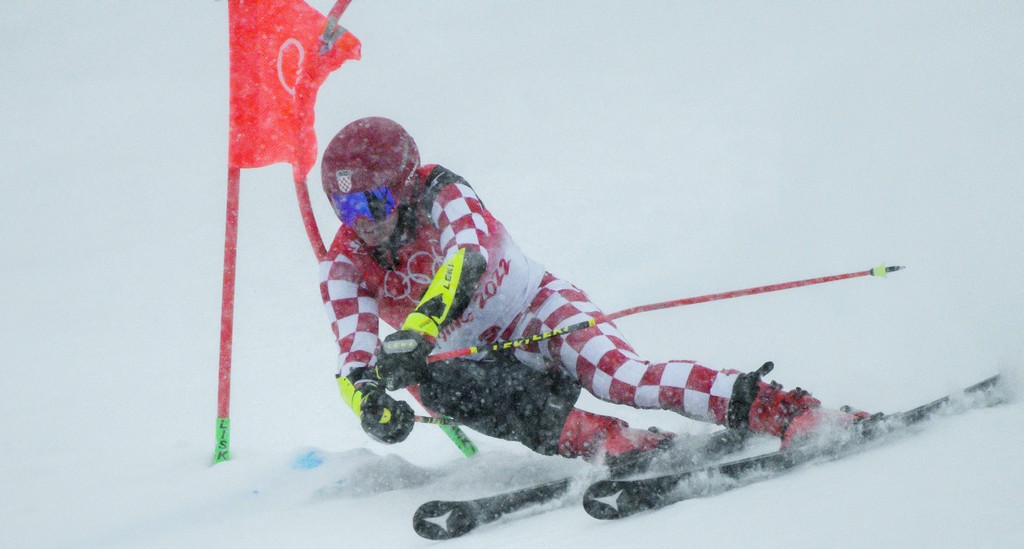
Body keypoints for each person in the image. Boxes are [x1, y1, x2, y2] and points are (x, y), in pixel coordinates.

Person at [318, 117, 869, 465]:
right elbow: (353, 360)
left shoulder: (442, 191)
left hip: (538, 312)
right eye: (344, 208)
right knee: (429, 382)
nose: (361, 221)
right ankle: (609, 442)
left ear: (407, 184)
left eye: (374, 202)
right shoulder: (343, 263)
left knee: (622, 378)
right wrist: (370, 404)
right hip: (484, 364)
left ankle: (775, 408)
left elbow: (468, 260)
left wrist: (418, 327)